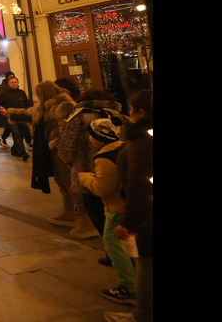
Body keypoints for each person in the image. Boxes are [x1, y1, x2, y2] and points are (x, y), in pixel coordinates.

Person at [104, 89, 153, 322]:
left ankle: (141, 316)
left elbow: (139, 186)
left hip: (148, 218)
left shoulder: (142, 143)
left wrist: (130, 222)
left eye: (131, 110)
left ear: (140, 113)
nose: (129, 114)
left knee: (147, 268)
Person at [78, 116, 136, 306]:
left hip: (117, 207)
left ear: (98, 137)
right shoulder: (124, 146)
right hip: (130, 203)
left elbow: (103, 188)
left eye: (91, 135)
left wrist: (85, 178)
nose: (89, 139)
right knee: (129, 244)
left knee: (112, 243)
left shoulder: (104, 157)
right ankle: (136, 277)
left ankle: (128, 287)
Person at [0, 81, 76, 223]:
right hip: (51, 149)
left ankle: (76, 212)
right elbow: (29, 114)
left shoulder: (62, 106)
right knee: (60, 179)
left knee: (67, 181)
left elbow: (67, 130)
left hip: (61, 151)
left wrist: (57, 145)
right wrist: (9, 113)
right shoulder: (43, 107)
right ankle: (69, 209)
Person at [58, 89, 127, 242]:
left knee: (98, 216)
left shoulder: (78, 118)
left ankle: (113, 252)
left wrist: (71, 164)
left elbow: (65, 147)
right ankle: (123, 248)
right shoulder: (119, 117)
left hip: (87, 176)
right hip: (121, 176)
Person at [0, 76, 31, 161]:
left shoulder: (22, 92)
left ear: (18, 83)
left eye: (15, 82)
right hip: (11, 118)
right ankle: (23, 152)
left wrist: (28, 112)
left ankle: (15, 150)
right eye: (12, 82)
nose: (14, 84)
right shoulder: (4, 93)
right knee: (16, 134)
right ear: (8, 84)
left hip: (22, 117)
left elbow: (27, 103)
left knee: (22, 134)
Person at [0, 71, 16, 145]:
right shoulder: (3, 87)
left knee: (11, 125)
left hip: (15, 110)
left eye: (13, 77)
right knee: (10, 125)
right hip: (6, 110)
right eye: (10, 77)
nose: (13, 82)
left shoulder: (14, 86)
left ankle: (4, 139)